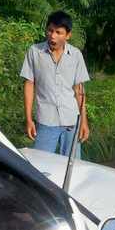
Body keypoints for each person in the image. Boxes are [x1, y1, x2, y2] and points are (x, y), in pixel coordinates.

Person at [20, 10, 90, 157]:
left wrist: (83, 121)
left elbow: (79, 91)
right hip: (46, 121)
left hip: (71, 121)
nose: (53, 36)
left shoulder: (76, 55)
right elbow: (29, 85)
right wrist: (28, 119)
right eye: (50, 30)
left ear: (68, 35)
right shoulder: (34, 52)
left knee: (72, 167)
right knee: (40, 166)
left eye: (58, 32)